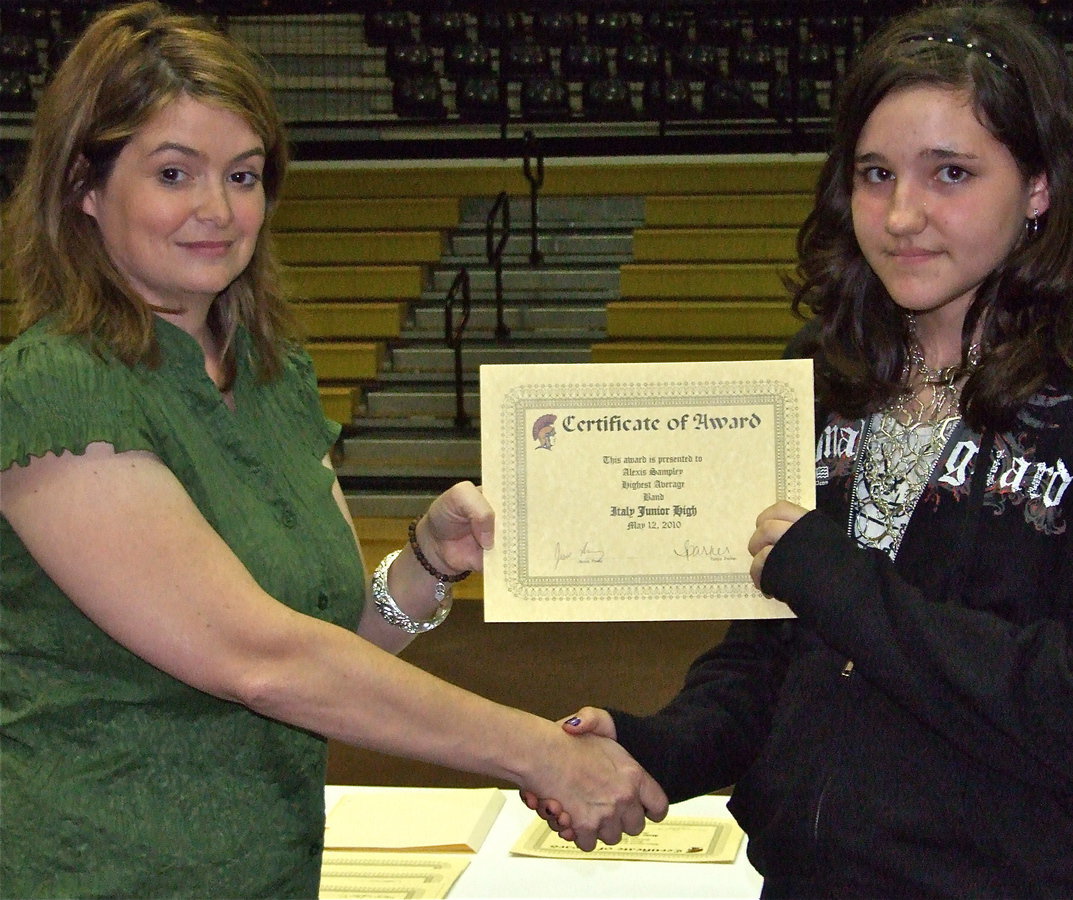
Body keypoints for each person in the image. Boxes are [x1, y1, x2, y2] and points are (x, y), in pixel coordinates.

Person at [529, 2, 1073, 895]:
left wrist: (841, 580)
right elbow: (772, 655)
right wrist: (658, 744)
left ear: (1039, 185)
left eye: (951, 173)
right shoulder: (819, 370)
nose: (901, 215)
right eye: (875, 173)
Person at [0, 3, 666, 897]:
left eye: (243, 175)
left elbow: (331, 645)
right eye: (172, 172)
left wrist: (428, 565)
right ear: (85, 185)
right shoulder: (55, 389)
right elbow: (262, 660)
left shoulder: (272, 375)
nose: (217, 209)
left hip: (271, 873)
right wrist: (540, 753)